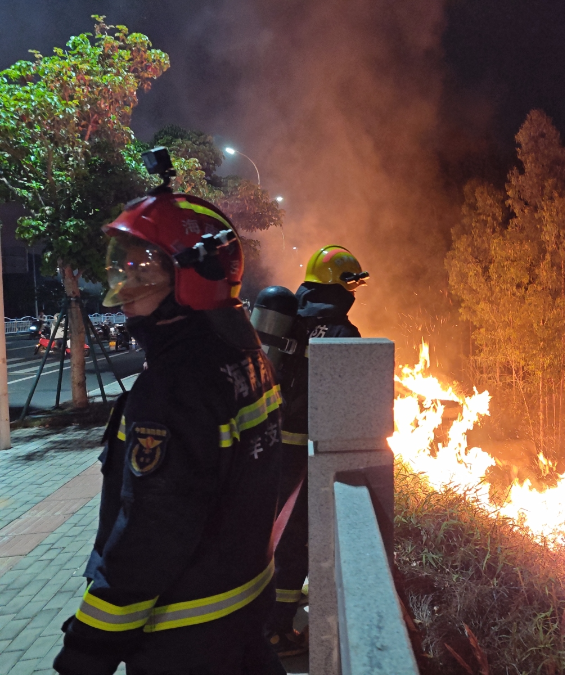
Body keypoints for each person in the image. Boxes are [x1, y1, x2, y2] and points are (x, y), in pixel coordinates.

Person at [53, 185, 287, 675]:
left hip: (183, 631)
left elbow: (151, 534)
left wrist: (90, 645)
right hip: (241, 604)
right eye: (124, 265)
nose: (123, 285)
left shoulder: (175, 386)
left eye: (144, 269)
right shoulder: (241, 353)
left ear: (192, 277)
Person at [266, 245, 367, 655]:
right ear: (335, 285)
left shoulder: (288, 322)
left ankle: (264, 613)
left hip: (269, 442)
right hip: (307, 450)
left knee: (272, 529)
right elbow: (353, 401)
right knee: (295, 538)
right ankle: (276, 632)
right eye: (352, 281)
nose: (356, 290)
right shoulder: (343, 333)